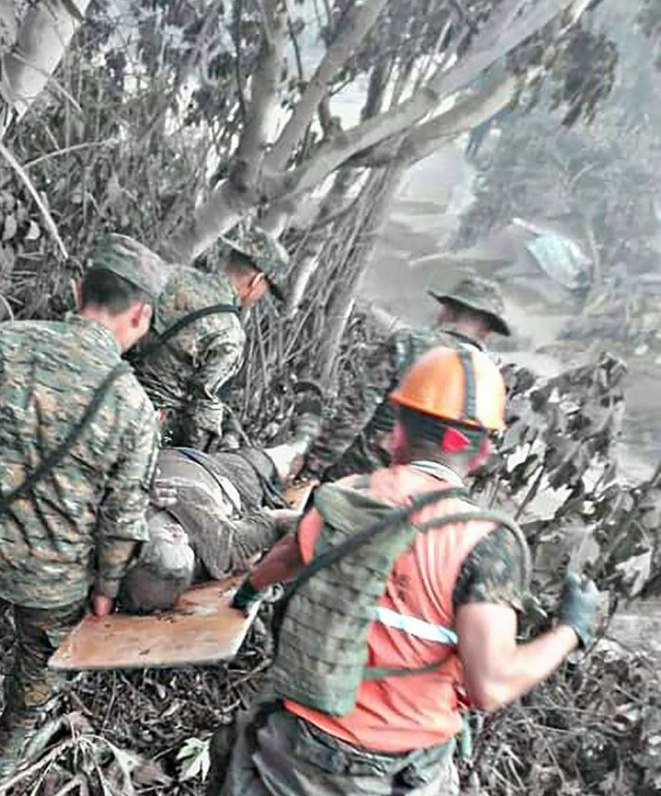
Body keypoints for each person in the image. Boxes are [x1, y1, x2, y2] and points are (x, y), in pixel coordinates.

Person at [177, 346, 599, 796]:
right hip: (384, 765)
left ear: (397, 426)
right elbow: (490, 685)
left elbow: (281, 561)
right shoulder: (485, 541)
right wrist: (570, 629)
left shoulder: (342, 497)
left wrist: (248, 594)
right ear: (482, 451)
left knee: (236, 774)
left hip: (294, 727)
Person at [0, 234, 165, 776]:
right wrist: (107, 591)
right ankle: (1, 759)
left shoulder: (0, 343)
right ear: (141, 313)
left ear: (79, 288)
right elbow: (122, 519)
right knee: (39, 664)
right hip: (54, 579)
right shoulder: (132, 405)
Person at [309, 275, 511, 479]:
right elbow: (474, 450)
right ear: (486, 331)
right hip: (425, 490)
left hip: (360, 473)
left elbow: (356, 411)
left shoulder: (409, 343)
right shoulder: (489, 378)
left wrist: (314, 465)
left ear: (447, 311)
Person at [121, 417, 319, 613]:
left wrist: (265, 578)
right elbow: (289, 522)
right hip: (189, 466)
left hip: (224, 472)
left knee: (274, 462)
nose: (176, 532)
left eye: (169, 537)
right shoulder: (218, 546)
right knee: (259, 464)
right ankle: (241, 437)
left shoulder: (218, 547)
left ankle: (299, 444)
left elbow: (285, 521)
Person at [131, 228, 290, 450]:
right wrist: (201, 455)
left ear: (229, 257)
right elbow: (202, 409)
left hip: (114, 383)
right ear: (257, 280)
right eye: (266, 289)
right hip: (149, 425)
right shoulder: (230, 333)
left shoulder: (171, 274)